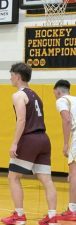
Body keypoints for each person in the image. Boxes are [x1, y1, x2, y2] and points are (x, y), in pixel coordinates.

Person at [1, 63, 57, 225]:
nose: (10, 78)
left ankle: (19, 215)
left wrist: (14, 144)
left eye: (11, 74)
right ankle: (52, 217)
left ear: (18, 76)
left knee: (13, 177)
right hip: (44, 139)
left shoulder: (18, 95)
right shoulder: (36, 95)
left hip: (30, 139)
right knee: (47, 180)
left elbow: (22, 120)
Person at [53, 79, 76, 221]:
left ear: (57, 91)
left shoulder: (62, 100)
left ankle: (72, 209)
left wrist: (66, 144)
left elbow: (66, 120)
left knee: (74, 173)